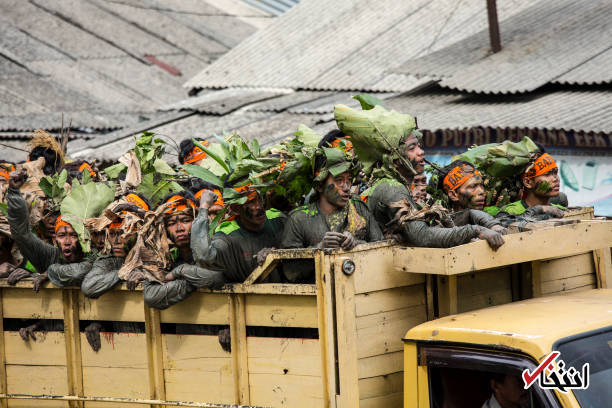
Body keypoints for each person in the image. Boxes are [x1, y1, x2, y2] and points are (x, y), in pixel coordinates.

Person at [359, 130, 505, 250]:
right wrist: (476, 230)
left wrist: (485, 221)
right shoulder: (392, 188)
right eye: (412, 148)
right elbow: (422, 235)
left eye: (419, 146)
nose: (421, 152)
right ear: (395, 161)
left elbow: (435, 225)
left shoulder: (394, 184)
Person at [282, 148, 382, 251]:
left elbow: (382, 248)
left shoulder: (358, 207)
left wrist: (357, 244)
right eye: (339, 180)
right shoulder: (298, 220)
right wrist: (319, 248)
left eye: (349, 179)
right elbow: (290, 264)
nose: (347, 187)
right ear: (320, 186)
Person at [4, 170, 86, 288]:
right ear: (55, 239)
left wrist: (49, 273)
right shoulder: (50, 253)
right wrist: (14, 193)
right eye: (62, 235)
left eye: (73, 235)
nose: (67, 242)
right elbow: (21, 234)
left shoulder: (92, 251)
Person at [144, 192, 225, 310]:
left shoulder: (214, 249)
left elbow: (218, 277)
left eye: (186, 220)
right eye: (171, 223)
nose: (179, 229)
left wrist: (181, 272)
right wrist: (195, 280)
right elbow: (151, 296)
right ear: (164, 229)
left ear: (196, 222)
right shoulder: (166, 260)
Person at [192, 184, 286, 283]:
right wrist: (203, 207)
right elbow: (204, 257)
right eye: (251, 202)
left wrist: (276, 253)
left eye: (260, 199)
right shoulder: (228, 234)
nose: (259, 206)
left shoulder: (277, 218)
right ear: (236, 209)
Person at [80, 193, 150, 299]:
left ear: (140, 234)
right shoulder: (109, 261)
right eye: (112, 234)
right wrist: (124, 272)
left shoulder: (157, 257)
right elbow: (89, 287)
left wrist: (146, 274)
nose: (116, 241)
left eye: (123, 233)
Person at [438, 161, 507, 233]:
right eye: (473, 186)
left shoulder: (494, 221)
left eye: (481, 185)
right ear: (453, 195)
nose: (482, 192)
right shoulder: (443, 231)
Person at [496, 152, 565, 219]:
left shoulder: (561, 210)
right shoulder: (509, 212)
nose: (556, 179)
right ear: (528, 182)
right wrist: (540, 209)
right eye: (547, 174)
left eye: (555, 173)